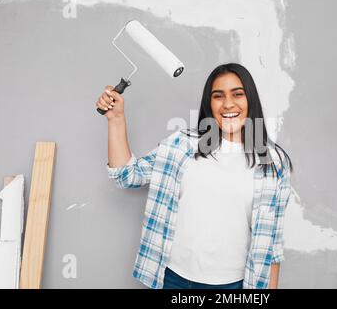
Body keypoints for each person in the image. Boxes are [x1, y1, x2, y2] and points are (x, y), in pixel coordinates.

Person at [96, 63, 295, 289]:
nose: (228, 103)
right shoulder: (182, 144)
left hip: (233, 286)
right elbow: (126, 175)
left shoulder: (274, 163)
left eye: (237, 94)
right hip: (172, 279)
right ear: (209, 104)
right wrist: (115, 119)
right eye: (218, 96)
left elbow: (273, 247)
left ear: (250, 99)